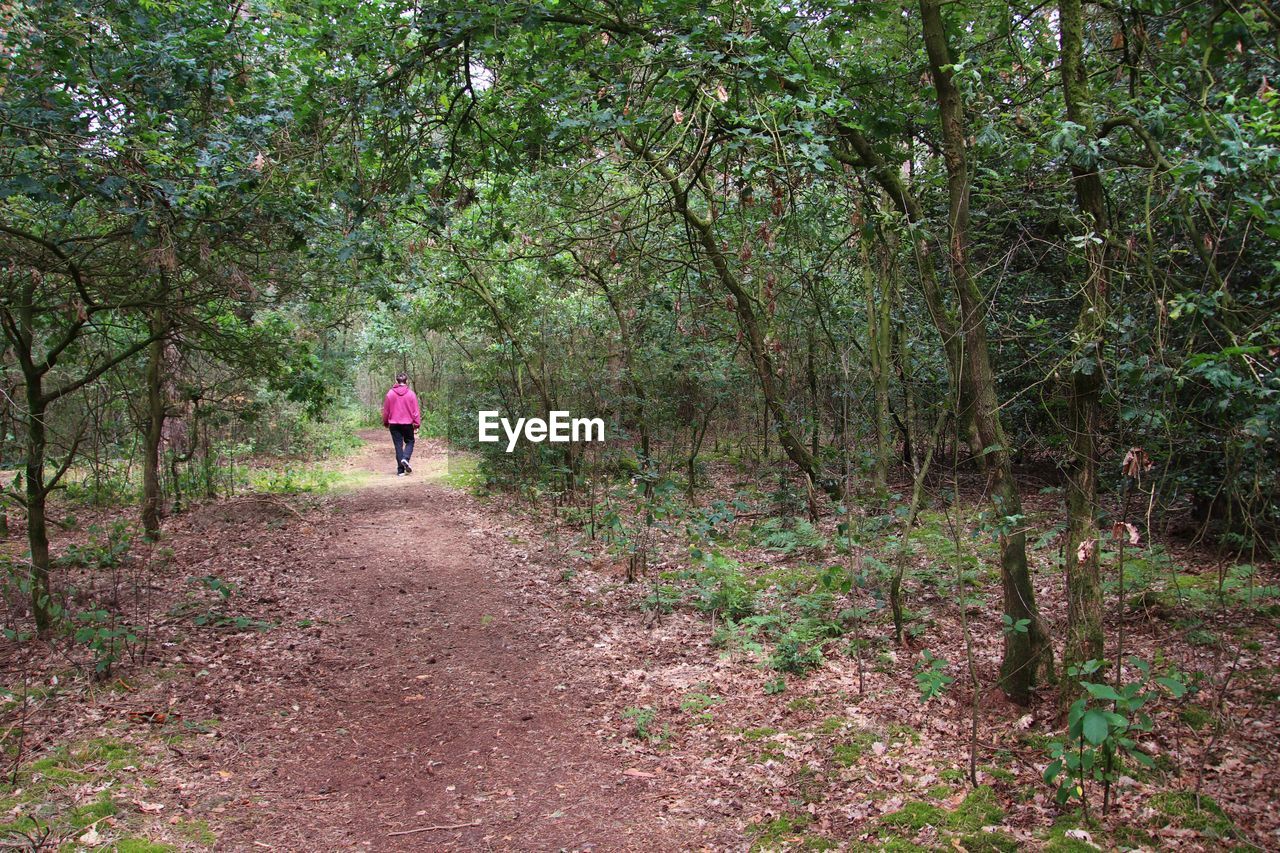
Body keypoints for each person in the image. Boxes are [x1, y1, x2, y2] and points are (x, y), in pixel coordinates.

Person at [382, 372, 421, 476]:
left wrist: (385, 422)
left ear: (396, 381)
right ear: (406, 381)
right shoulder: (411, 394)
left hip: (394, 424)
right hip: (407, 423)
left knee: (398, 446)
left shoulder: (390, 393)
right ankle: (405, 458)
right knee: (410, 441)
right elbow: (415, 411)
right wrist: (417, 424)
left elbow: (386, 410)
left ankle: (400, 471)